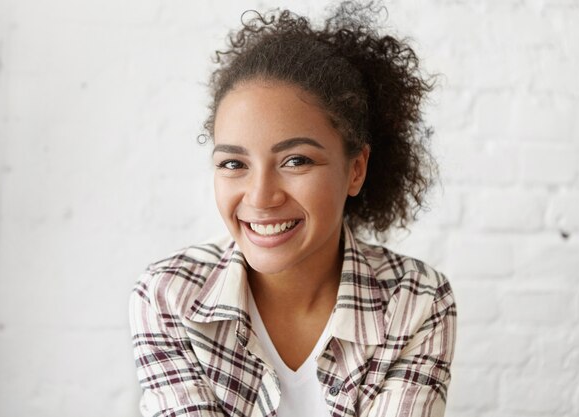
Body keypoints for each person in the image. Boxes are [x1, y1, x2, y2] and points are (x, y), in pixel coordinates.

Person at [129, 2, 456, 416]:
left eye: (295, 161)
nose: (261, 196)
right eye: (234, 164)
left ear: (356, 170)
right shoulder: (169, 296)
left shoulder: (416, 301)